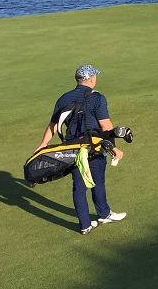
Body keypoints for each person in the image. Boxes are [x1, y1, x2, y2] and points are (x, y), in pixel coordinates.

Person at [35, 65, 126, 235]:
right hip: (95, 146)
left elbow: (54, 125)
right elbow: (106, 126)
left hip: (74, 149)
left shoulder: (64, 98)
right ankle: (104, 214)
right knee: (98, 181)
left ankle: (85, 225)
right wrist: (113, 147)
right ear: (91, 79)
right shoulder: (97, 98)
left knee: (79, 186)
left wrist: (43, 145)